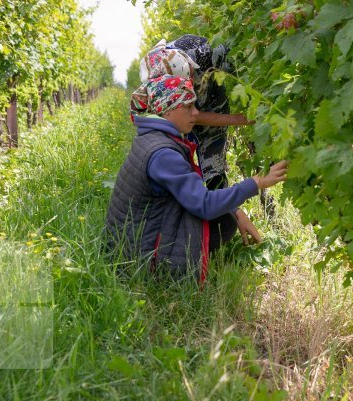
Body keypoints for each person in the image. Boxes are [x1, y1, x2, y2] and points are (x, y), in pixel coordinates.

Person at [106, 75, 287, 283]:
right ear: (168, 109)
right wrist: (256, 183)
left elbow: (192, 192)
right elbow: (204, 204)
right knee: (220, 220)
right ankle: (163, 279)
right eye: (188, 106)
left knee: (225, 215)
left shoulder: (151, 138)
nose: (196, 113)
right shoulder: (164, 154)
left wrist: (235, 210)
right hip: (139, 262)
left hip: (128, 249)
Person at [141, 37, 262, 246]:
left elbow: (243, 58)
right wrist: (238, 120)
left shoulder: (203, 53)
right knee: (184, 171)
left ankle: (225, 212)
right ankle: (217, 217)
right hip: (184, 116)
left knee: (212, 167)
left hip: (210, 104)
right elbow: (194, 116)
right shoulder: (154, 80)